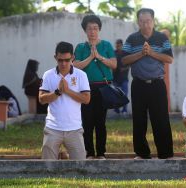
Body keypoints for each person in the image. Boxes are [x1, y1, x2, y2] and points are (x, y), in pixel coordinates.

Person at [122, 8, 174, 159]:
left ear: (153, 21)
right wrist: (141, 53)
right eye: (142, 21)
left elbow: (169, 59)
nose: (146, 24)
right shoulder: (132, 39)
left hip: (157, 84)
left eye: (148, 21)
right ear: (138, 22)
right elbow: (124, 60)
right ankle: (142, 153)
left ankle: (165, 154)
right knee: (139, 120)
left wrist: (151, 52)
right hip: (138, 84)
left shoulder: (161, 38)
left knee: (161, 119)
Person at [73, 15, 117, 159]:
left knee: (100, 122)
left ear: (99, 29)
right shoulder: (80, 47)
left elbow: (114, 64)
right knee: (87, 121)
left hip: (103, 88)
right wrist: (91, 58)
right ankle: (89, 152)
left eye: (95, 28)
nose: (92, 31)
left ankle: (101, 152)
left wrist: (99, 57)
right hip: (85, 89)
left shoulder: (106, 45)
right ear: (85, 30)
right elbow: (75, 66)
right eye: (89, 28)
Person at [39, 41, 91, 160]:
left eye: (67, 60)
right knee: (47, 165)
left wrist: (67, 91)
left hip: (74, 128)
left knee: (80, 166)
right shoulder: (48, 75)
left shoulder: (81, 75)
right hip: (52, 128)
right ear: (55, 57)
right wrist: (57, 92)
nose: (63, 63)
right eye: (60, 60)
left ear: (73, 57)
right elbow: (41, 99)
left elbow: (86, 99)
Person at [113, 39, 129, 115]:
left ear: (122, 45)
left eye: (119, 45)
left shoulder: (125, 53)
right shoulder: (113, 53)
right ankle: (116, 110)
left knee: (124, 94)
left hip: (124, 78)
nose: (117, 46)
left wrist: (124, 68)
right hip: (115, 78)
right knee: (115, 94)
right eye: (116, 45)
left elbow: (130, 64)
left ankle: (124, 110)